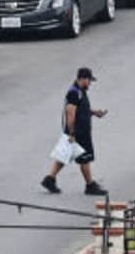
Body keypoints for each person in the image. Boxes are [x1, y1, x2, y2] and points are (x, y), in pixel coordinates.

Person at [42, 67, 106, 195]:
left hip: (77, 131)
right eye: (89, 80)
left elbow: (81, 109)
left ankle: (50, 179)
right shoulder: (74, 92)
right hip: (78, 133)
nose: (90, 84)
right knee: (85, 158)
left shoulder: (80, 91)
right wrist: (72, 133)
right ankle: (90, 185)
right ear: (83, 79)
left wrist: (94, 112)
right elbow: (70, 113)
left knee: (64, 155)